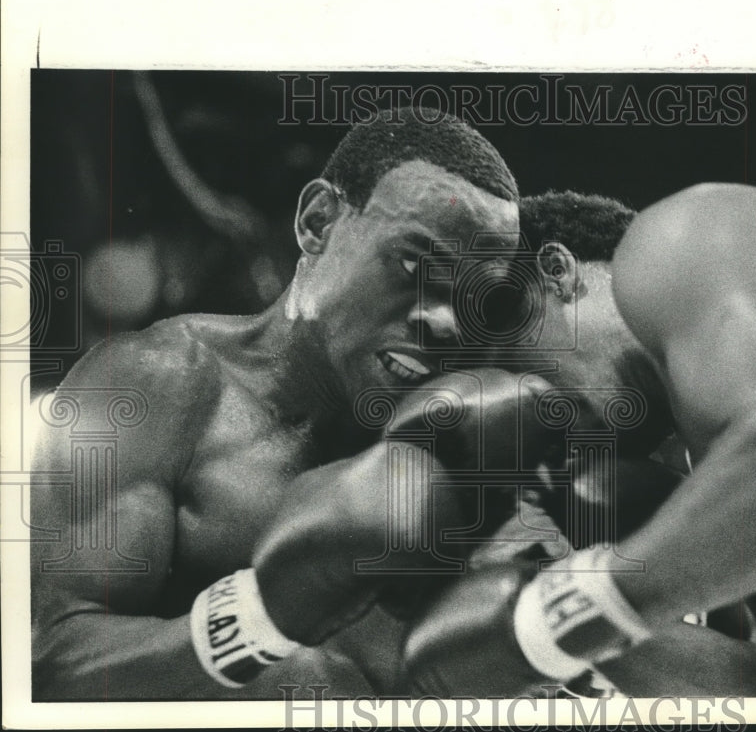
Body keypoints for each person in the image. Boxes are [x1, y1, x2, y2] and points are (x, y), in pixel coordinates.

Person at [404, 184, 756, 698]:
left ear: (557, 273)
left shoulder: (676, 240)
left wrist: (543, 621)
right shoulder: (722, 471)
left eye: (512, 370)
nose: (531, 425)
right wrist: (536, 588)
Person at [30, 107, 524, 699]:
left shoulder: (465, 442)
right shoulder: (157, 387)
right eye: (416, 264)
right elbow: (56, 659)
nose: (445, 321)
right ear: (319, 223)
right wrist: (262, 620)